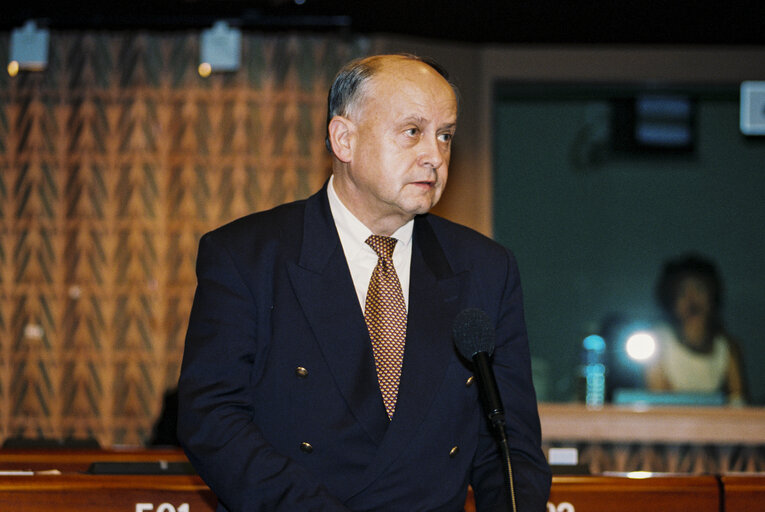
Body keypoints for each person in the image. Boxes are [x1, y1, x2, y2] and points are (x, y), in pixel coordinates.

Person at [177, 54, 551, 511]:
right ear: (344, 139)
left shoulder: (486, 268)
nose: (434, 155)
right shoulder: (247, 255)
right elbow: (213, 420)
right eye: (412, 131)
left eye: (445, 135)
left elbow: (509, 445)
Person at [646, 253, 747, 404]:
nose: (691, 300)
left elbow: (738, 401)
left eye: (699, 289)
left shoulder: (726, 346)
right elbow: (659, 400)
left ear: (713, 296)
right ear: (670, 300)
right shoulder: (658, 340)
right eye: (682, 292)